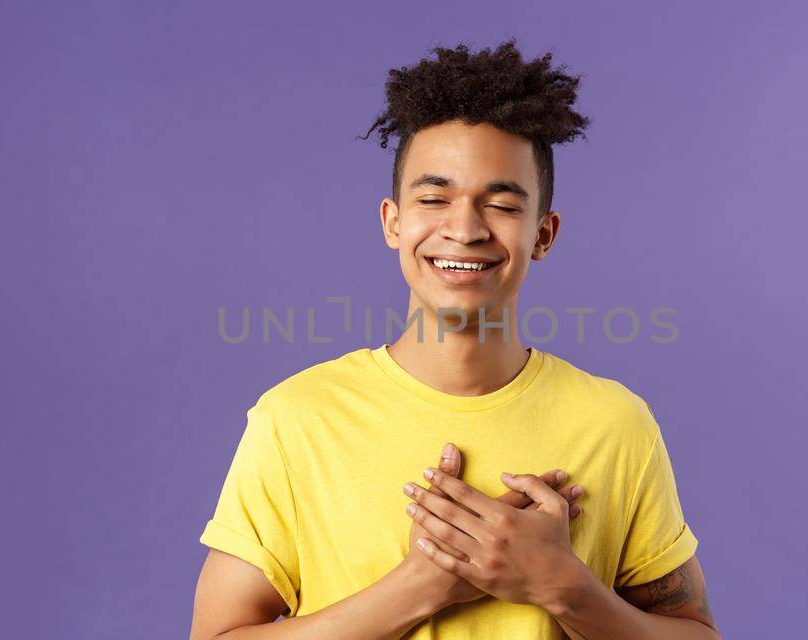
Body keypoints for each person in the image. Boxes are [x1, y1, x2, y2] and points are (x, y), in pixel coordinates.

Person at [190, 39, 720, 640]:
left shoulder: (616, 423)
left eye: (499, 204)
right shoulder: (296, 420)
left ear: (544, 234)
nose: (464, 229)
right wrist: (422, 585)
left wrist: (561, 586)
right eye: (434, 198)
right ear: (393, 221)